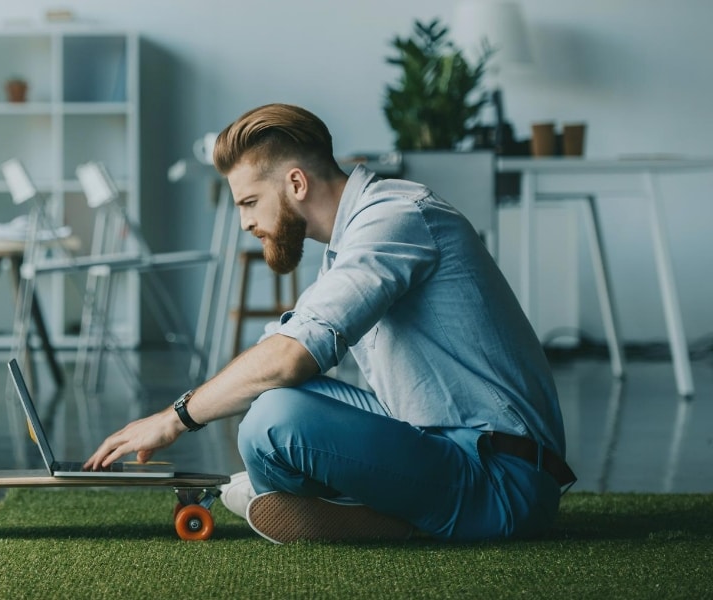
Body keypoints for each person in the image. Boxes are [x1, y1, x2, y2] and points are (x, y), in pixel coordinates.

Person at [83, 103, 574, 543]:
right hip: (440, 444)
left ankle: (387, 516)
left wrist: (174, 418)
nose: (244, 224)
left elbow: (293, 357)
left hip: (502, 479)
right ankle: (369, 507)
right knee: (268, 406)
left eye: (249, 202)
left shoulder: (397, 216)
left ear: (295, 183)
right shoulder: (351, 238)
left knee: (273, 422)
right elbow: (280, 345)